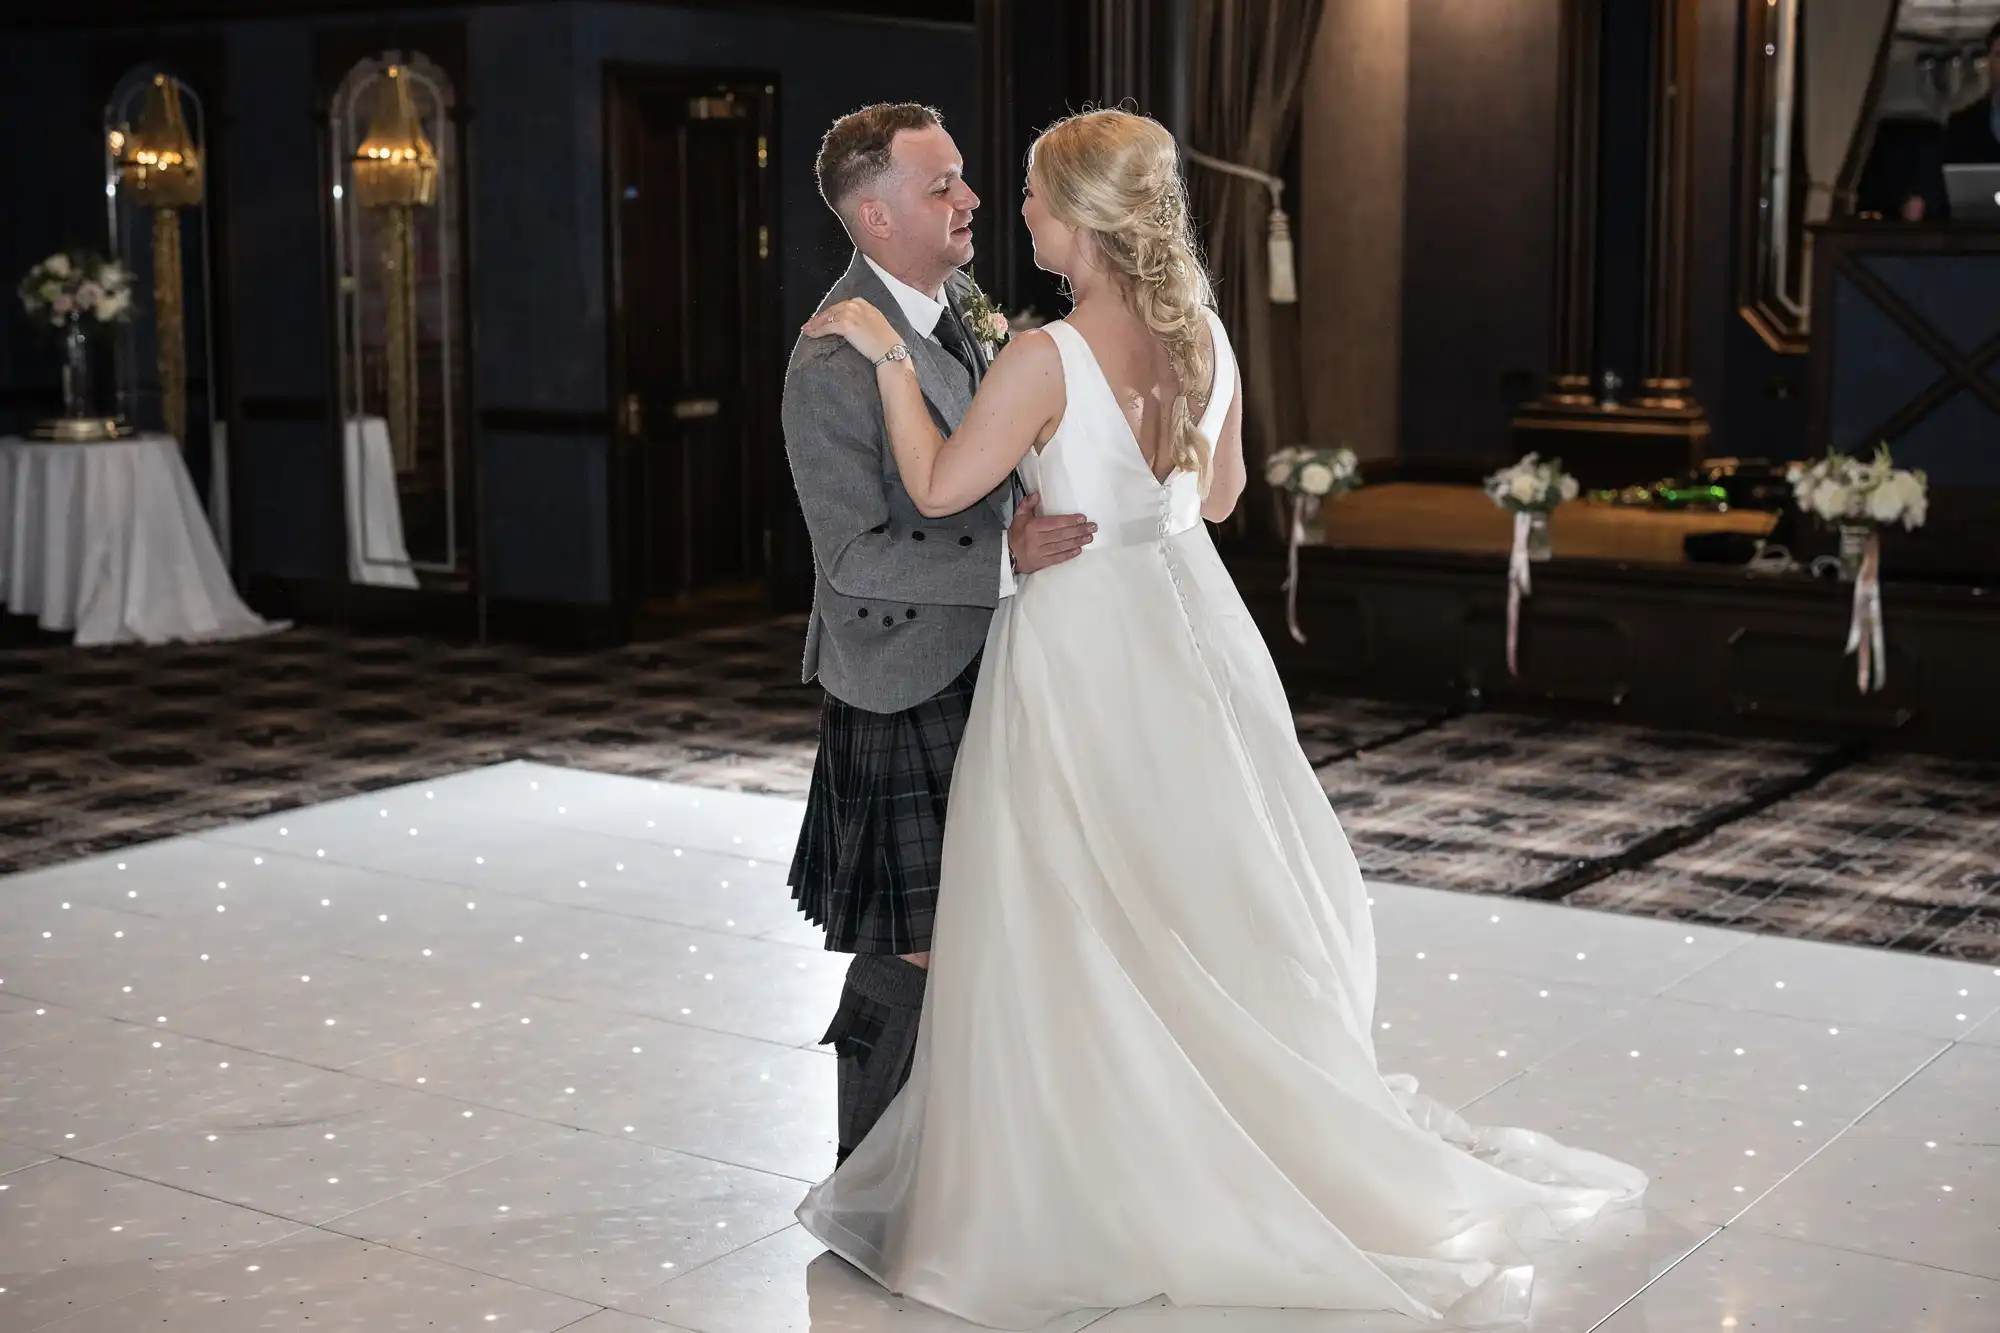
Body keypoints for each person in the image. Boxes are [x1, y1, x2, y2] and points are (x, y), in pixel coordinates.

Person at [794, 108, 1647, 1329]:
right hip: (1189, 630)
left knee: (1070, 905)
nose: (1011, 210)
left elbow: (935, 484)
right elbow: (1227, 490)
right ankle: (1222, 1123)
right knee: (1196, 884)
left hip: (1081, 642)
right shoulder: (1199, 330)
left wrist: (885, 359)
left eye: (1029, 193)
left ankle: (1092, 1169)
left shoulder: (1040, 354)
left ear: (1078, 213)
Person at [782, 103, 1097, 1169]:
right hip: (899, 677)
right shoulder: (830, 358)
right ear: (874, 216)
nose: (968, 201)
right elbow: (850, 559)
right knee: (907, 945)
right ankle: (860, 1179)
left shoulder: (956, 301)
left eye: (964, 179)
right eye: (942, 186)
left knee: (979, 929)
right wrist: (1007, 557)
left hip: (987, 663)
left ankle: (950, 1172)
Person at [1901, 20, 2000, 222]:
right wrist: (1920, 202)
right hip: (1974, 240)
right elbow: (1932, 184)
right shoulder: (1962, 125)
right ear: (1988, 61)